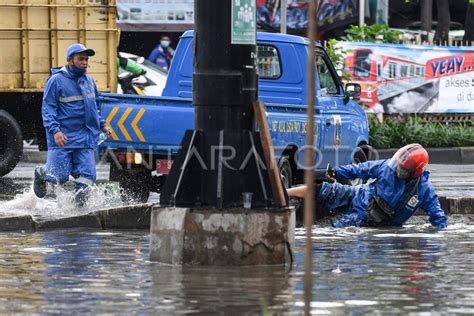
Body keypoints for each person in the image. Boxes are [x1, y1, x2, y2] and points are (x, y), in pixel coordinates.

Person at [287, 144, 448, 228]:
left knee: (339, 228)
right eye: (397, 166)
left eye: (403, 170)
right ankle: (283, 192)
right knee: (324, 190)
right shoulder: (386, 167)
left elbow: (438, 217)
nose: (398, 171)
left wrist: (439, 235)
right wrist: (336, 173)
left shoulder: (425, 190)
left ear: (415, 172)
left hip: (369, 220)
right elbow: (360, 169)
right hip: (357, 195)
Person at [33, 43, 111, 207]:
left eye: (86, 59)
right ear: (70, 60)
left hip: (84, 138)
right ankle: (42, 174)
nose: (85, 62)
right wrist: (55, 131)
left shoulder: (89, 81)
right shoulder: (56, 81)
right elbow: (48, 109)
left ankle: (78, 212)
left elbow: (93, 108)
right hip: (63, 137)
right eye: (80, 59)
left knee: (87, 178)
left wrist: (102, 125)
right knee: (58, 177)